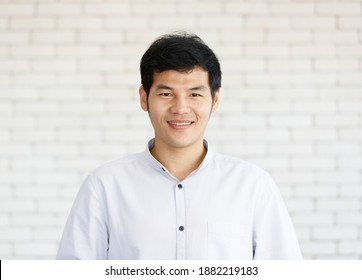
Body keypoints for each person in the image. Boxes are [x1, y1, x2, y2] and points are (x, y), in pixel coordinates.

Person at [56, 32, 302, 260]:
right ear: (144, 98)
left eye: (195, 94)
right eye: (166, 94)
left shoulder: (253, 185)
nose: (181, 108)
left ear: (215, 100)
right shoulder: (104, 186)